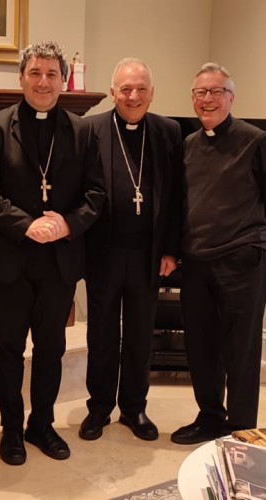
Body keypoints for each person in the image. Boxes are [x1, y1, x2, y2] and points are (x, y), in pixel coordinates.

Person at [0, 40, 105, 466]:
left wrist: (66, 224)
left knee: (51, 349)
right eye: (35, 73)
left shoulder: (82, 131)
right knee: (9, 349)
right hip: (10, 260)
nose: (43, 82)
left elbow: (96, 194)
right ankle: (11, 429)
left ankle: (41, 424)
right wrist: (26, 224)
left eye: (51, 74)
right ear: (21, 78)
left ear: (63, 80)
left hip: (58, 262)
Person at [79, 57, 182, 442]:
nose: (133, 96)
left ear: (152, 94)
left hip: (147, 255)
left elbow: (176, 196)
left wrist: (170, 250)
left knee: (140, 334)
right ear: (113, 93)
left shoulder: (168, 131)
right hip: (104, 253)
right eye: (125, 89)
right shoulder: (90, 129)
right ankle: (99, 408)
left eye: (141, 89)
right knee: (102, 334)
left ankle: (134, 408)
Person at [171, 63, 266, 445]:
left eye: (215, 92)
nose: (207, 99)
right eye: (200, 93)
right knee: (201, 347)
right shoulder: (189, 145)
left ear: (231, 97)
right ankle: (210, 417)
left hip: (241, 261)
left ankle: (241, 429)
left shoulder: (255, 141)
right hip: (196, 262)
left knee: (241, 350)